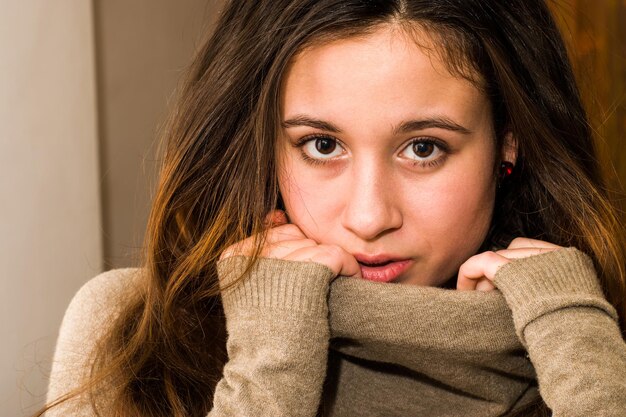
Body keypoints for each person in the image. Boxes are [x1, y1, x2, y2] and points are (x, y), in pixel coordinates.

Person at [39, 1, 626, 416]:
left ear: (507, 144)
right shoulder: (131, 330)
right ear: (265, 145)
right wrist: (271, 358)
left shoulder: (590, 336)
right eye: (322, 145)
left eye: (424, 148)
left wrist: (578, 344)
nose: (369, 218)